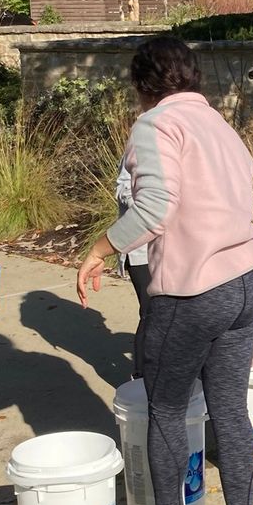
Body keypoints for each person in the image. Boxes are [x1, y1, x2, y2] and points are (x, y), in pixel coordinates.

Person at [77, 37, 253, 505]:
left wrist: (99, 249)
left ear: (142, 84)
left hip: (193, 290)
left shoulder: (156, 125)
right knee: (229, 411)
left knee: (165, 408)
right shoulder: (221, 127)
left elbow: (155, 207)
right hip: (245, 281)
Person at [115, 151, 150, 378]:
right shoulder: (140, 144)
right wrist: (153, 202)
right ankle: (141, 377)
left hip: (172, 250)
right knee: (152, 312)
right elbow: (122, 189)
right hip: (140, 251)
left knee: (170, 313)